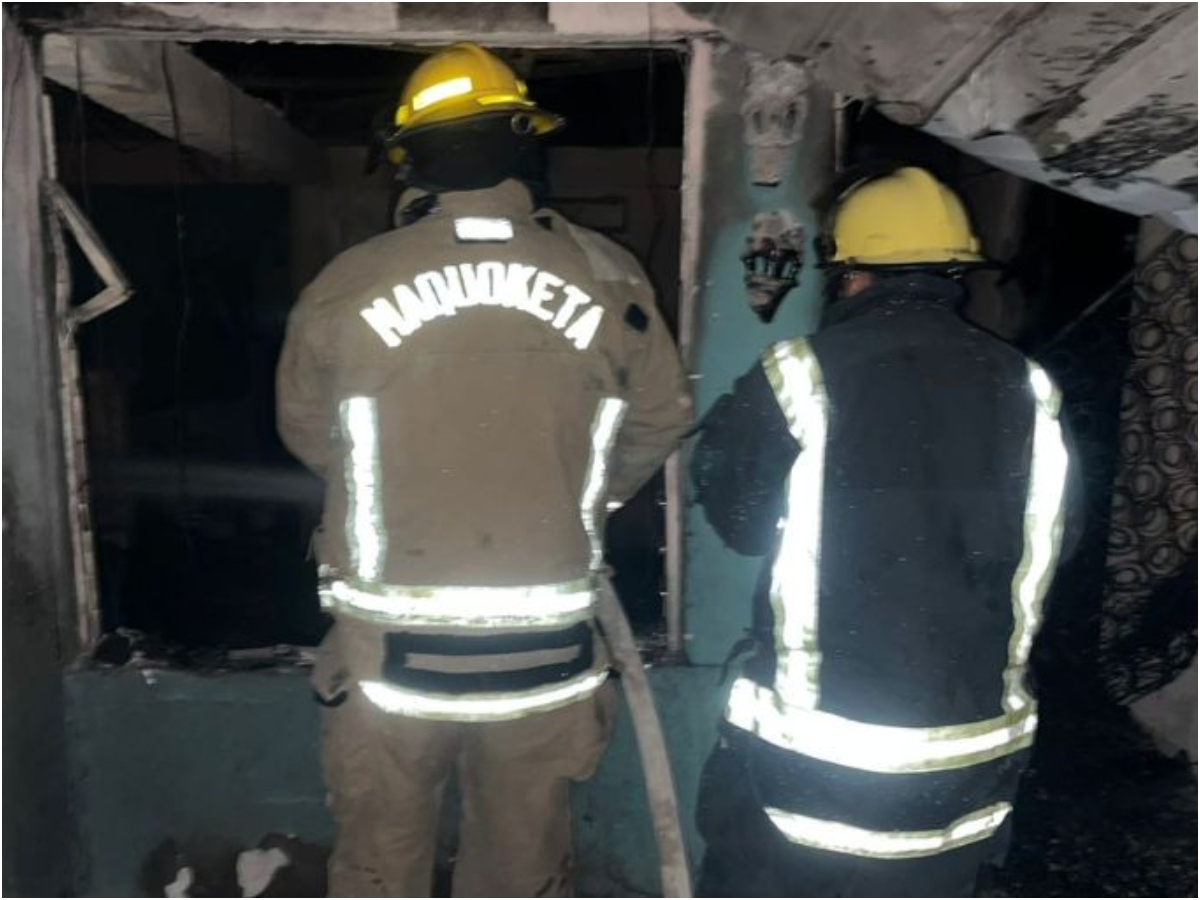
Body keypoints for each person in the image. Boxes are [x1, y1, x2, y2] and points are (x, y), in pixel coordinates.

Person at [276, 43, 691, 898]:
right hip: (544, 658)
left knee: (381, 867)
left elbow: (308, 432)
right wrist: (577, 495)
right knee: (519, 868)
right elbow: (662, 417)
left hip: (392, 659)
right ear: (524, 144)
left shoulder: (348, 285)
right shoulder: (608, 279)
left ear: (410, 160)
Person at [690, 165, 1075, 897]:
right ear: (953, 273)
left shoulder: (802, 375)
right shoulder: (1029, 387)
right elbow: (1057, 541)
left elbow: (737, 518)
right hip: (966, 772)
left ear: (852, 274)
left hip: (808, 771)